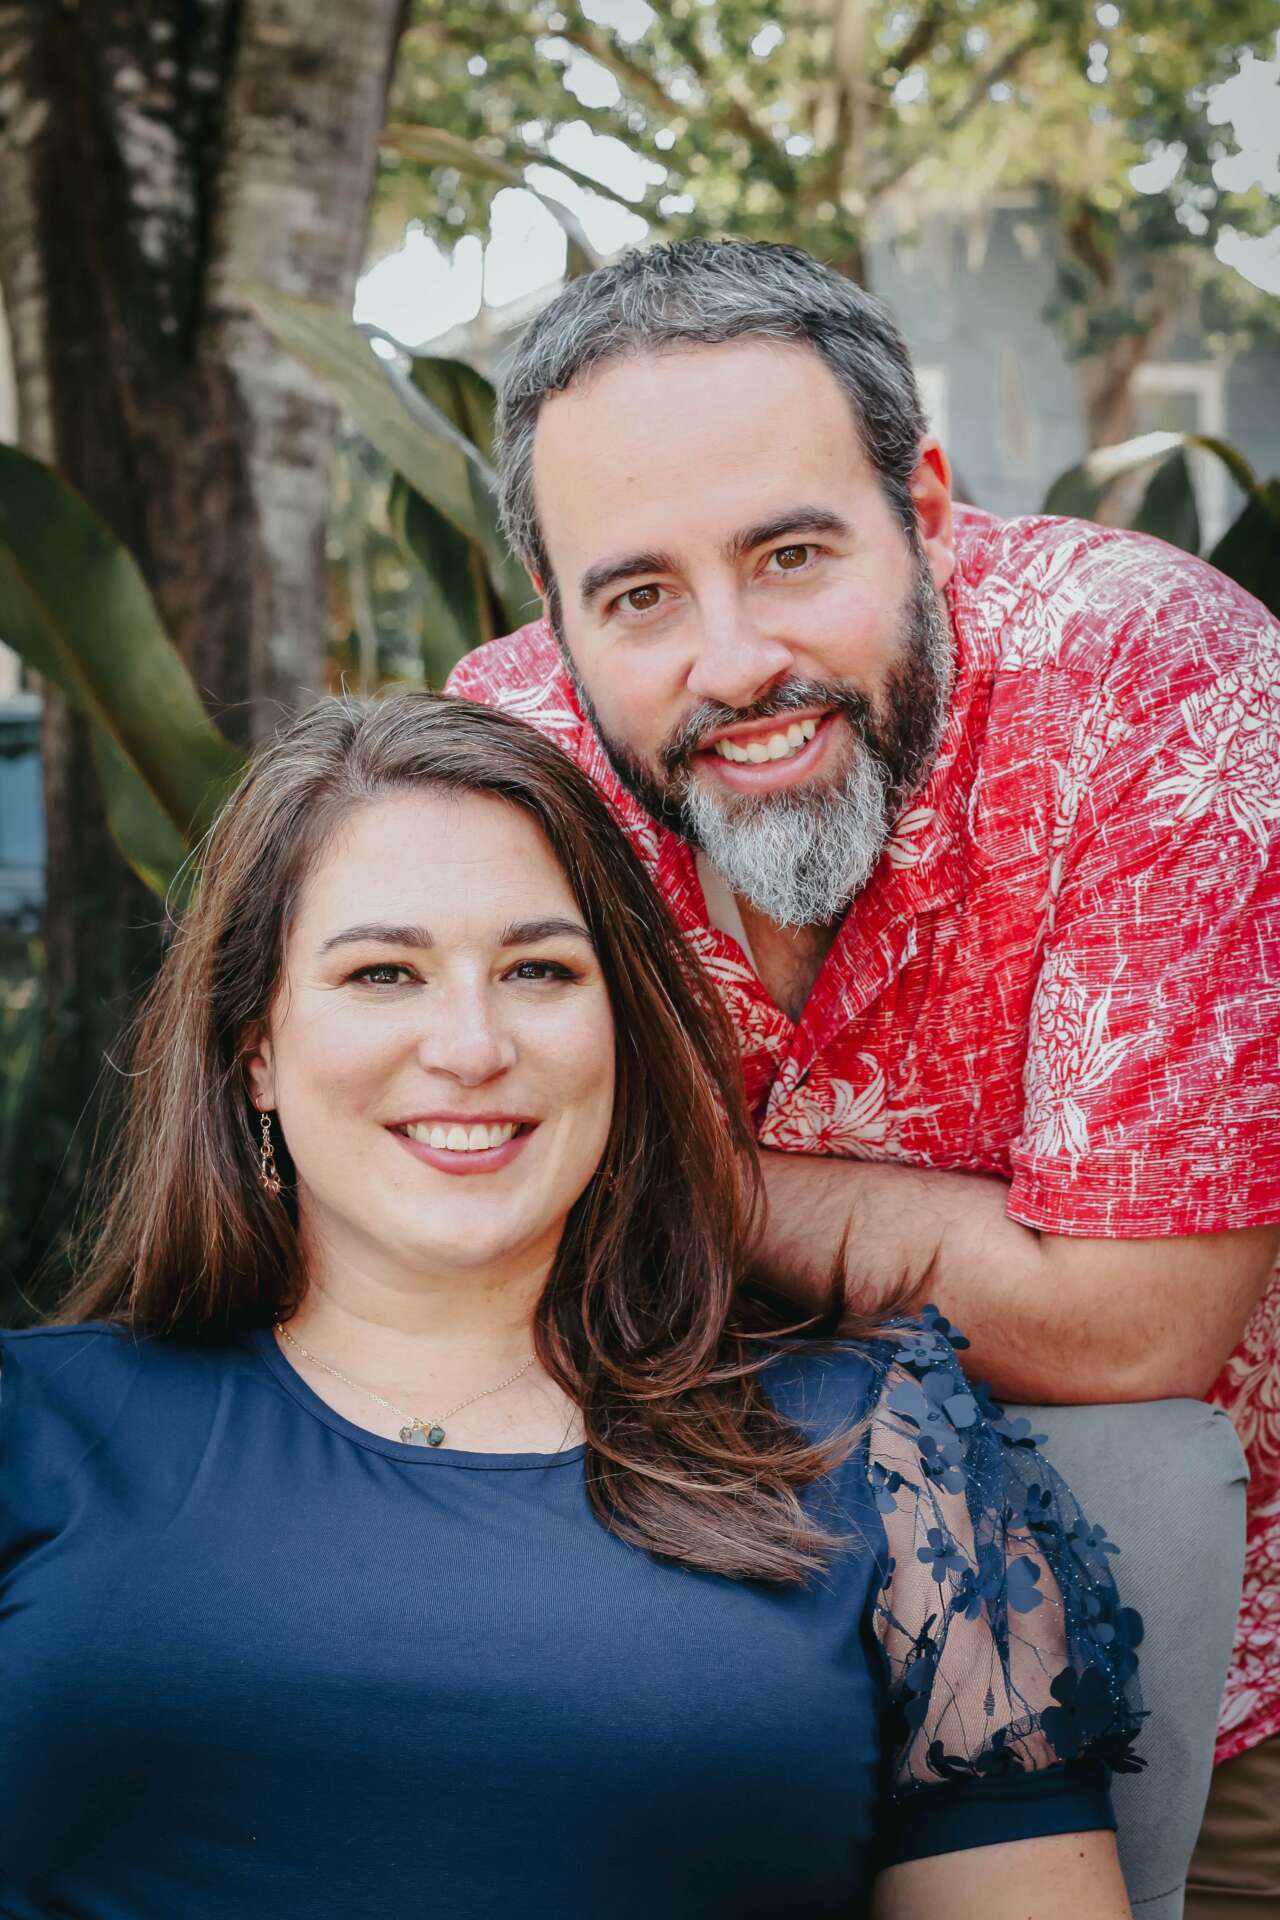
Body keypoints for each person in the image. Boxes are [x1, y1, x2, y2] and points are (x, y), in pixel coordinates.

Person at [0, 693, 1143, 1918]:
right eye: (383, 973)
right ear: (255, 1051)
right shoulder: (36, 1426)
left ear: (620, 1030)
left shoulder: (872, 1446)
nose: (470, 1046)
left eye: (537, 970)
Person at [445, 237, 1280, 1905]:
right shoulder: (508, 768)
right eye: (639, 594)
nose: (735, 660)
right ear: (554, 614)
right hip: (709, 1643)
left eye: (792, 554)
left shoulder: (1153, 681)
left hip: (1216, 1654)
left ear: (930, 512)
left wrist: (678, 1176)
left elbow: (1137, 1327)